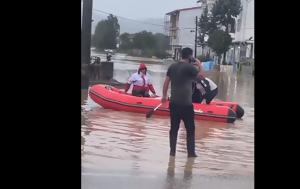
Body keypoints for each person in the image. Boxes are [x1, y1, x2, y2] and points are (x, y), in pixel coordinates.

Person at [161, 47, 199, 157]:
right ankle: (191, 153)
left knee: (174, 128)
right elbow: (201, 76)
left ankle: (172, 152)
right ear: (190, 56)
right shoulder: (190, 68)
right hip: (186, 104)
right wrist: (199, 64)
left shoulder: (172, 66)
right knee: (190, 129)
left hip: (174, 103)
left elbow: (166, 82)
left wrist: (164, 95)